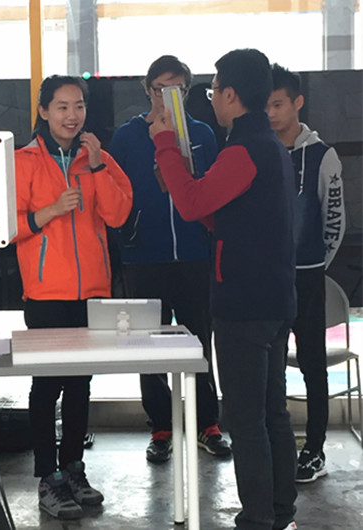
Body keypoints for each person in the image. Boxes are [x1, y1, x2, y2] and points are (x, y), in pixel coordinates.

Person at [149, 49, 298, 530]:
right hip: (273, 300)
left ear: (231, 94)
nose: (210, 98)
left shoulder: (243, 149)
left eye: (213, 89)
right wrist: (180, 180)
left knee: (248, 420)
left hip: (244, 305)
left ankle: (257, 517)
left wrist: (165, 145)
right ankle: (279, 511)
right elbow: (226, 218)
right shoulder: (269, 145)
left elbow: (193, 206)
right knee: (271, 414)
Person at [14, 75, 132, 520]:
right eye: (62, 106)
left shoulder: (97, 158)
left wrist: (98, 166)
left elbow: (118, 214)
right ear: (44, 111)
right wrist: (49, 212)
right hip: (45, 293)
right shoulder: (23, 161)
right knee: (47, 386)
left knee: (81, 383)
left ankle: (74, 468)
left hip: (93, 291)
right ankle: (49, 476)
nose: (72, 115)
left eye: (78, 106)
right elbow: (5, 226)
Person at [109, 55, 231, 464]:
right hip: (144, 257)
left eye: (176, 89)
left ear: (188, 91)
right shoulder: (127, 136)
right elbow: (116, 194)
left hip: (195, 255)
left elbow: (214, 190)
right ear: (148, 90)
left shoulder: (202, 134)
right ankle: (161, 427)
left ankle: (207, 424)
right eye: (160, 88)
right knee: (148, 346)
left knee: (200, 340)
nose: (167, 96)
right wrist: (127, 238)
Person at [267, 64, 345, 483]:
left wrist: (315, 262)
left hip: (308, 275)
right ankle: (276, 445)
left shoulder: (321, 155)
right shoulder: (259, 150)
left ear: (297, 102)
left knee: (314, 365)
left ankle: (314, 449)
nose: (271, 113)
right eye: (266, 105)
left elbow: (334, 219)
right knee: (271, 366)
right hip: (267, 278)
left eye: (278, 104)